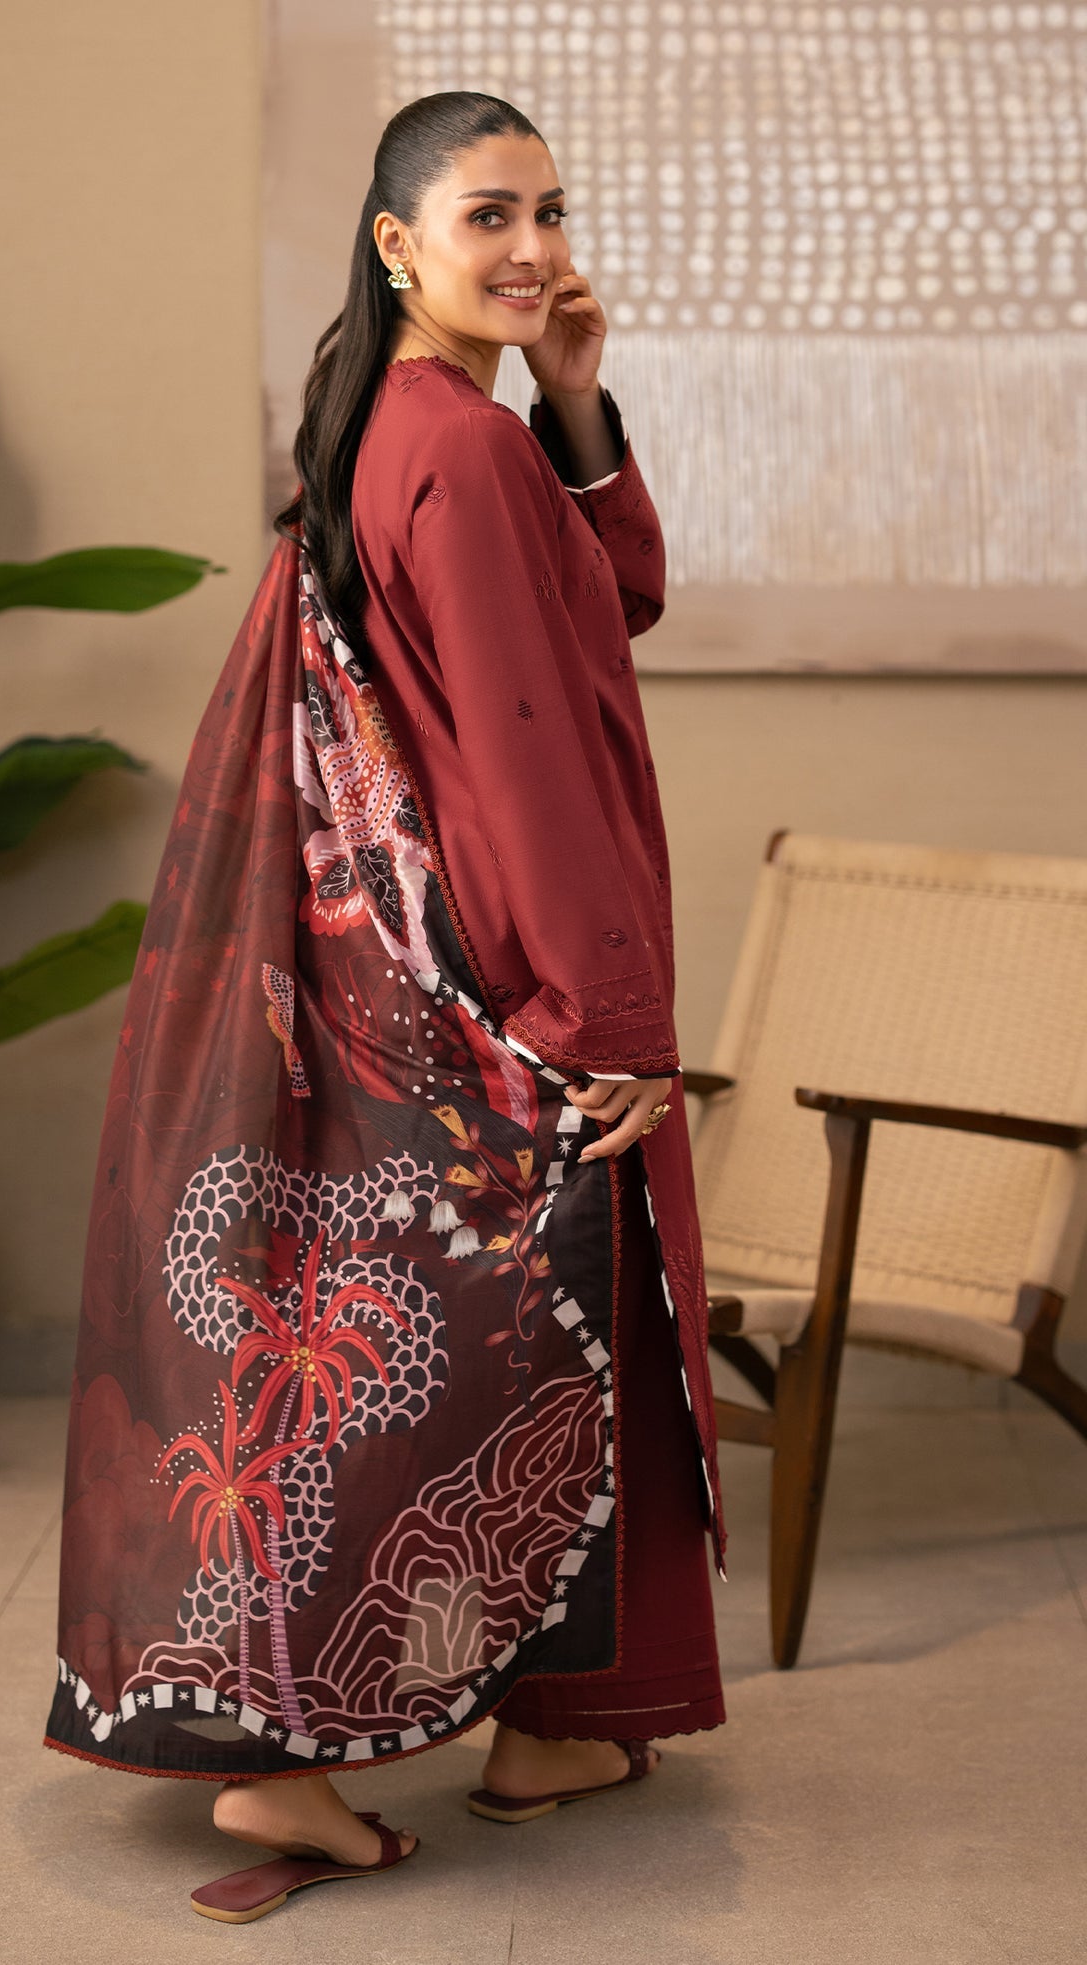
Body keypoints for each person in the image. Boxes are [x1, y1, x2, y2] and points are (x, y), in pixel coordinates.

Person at [43, 91, 727, 1925]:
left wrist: (579, 406)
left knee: (460, 1350)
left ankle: (537, 1735)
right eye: (489, 215)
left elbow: (611, 604)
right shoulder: (456, 448)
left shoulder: (406, 429)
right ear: (397, 242)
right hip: (496, 972)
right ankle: (287, 1757)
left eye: (551, 210)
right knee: (491, 1351)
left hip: (403, 976)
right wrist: (604, 1014)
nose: (535, 247)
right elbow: (527, 753)